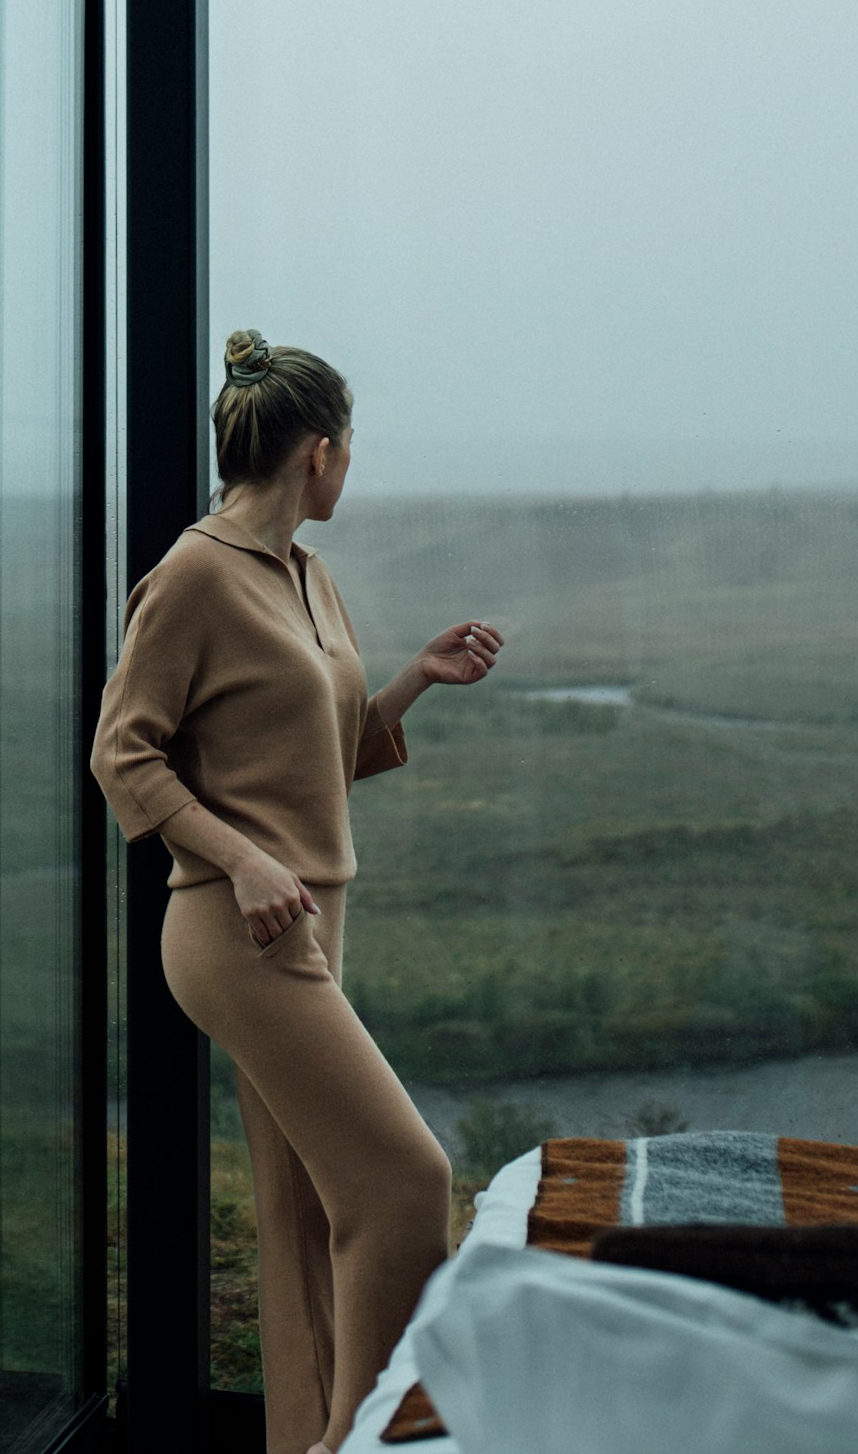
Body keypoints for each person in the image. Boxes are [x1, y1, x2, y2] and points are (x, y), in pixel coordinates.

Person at [92, 329, 503, 1454]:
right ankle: (371, 1444)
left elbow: (323, 758)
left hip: (315, 911)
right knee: (406, 1181)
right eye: (352, 446)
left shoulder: (309, 576)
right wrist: (242, 857)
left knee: (309, 1211)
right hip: (238, 928)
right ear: (318, 453)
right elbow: (122, 755)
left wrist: (415, 678)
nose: (352, 464)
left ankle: (303, 1440)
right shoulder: (191, 575)